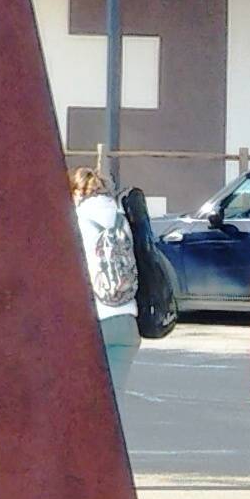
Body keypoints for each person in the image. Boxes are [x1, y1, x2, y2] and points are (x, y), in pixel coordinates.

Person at [71, 166, 143, 393]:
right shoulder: (122, 217)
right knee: (114, 403)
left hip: (95, 319)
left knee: (82, 400)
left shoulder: (78, 220)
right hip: (127, 320)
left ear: (77, 192)